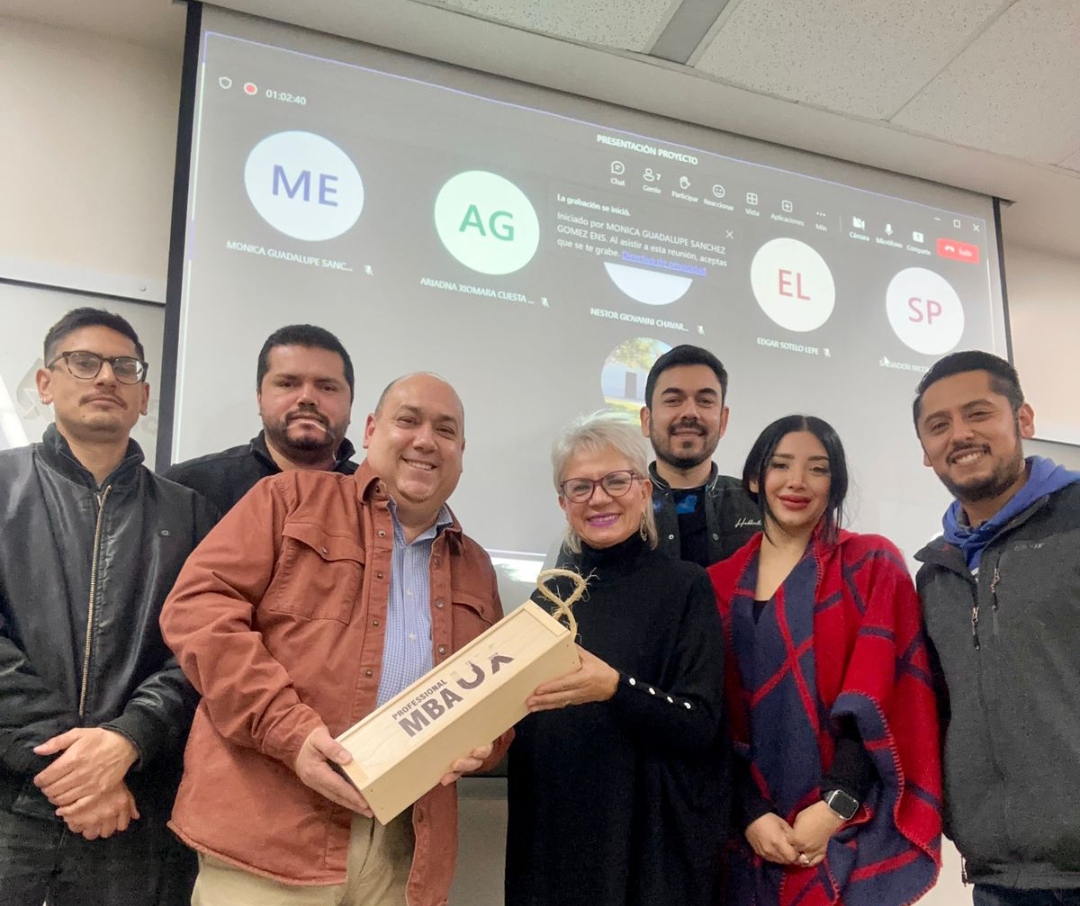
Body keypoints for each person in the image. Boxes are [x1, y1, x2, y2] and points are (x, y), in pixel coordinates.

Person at [160, 372, 510, 906]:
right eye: (408, 420)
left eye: (445, 429)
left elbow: (495, 698)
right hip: (269, 839)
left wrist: (486, 744)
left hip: (404, 852)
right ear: (371, 429)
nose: (425, 440)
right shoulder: (288, 499)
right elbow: (197, 611)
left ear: (461, 451)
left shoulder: (478, 567)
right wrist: (288, 730)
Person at [0, 308, 216, 905]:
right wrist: (78, 766)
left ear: (144, 395)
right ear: (45, 383)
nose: (106, 379)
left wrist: (126, 741)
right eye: (83, 362)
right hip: (12, 797)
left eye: (125, 367)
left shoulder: (191, 514)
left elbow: (202, 650)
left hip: (135, 809)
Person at [709, 415, 941, 906]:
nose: (797, 482)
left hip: (852, 823)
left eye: (817, 468)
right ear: (755, 477)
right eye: (781, 465)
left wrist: (836, 805)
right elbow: (710, 721)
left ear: (834, 484)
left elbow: (889, 697)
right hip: (747, 833)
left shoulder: (872, 564)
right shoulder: (716, 585)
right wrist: (749, 813)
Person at [506, 414, 729, 906]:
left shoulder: (686, 586)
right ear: (564, 505)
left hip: (645, 846)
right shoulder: (548, 599)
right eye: (580, 487)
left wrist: (615, 688)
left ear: (644, 490)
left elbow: (701, 724)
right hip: (550, 839)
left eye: (616, 480)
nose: (599, 498)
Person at [912, 351, 1080, 905]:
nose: (959, 435)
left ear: (1023, 420)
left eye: (978, 413)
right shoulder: (936, 572)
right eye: (939, 425)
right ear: (925, 450)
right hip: (1000, 877)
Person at [164, 323, 358, 517]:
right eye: (287, 384)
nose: (307, 397)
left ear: (350, 403)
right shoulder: (188, 488)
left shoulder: (377, 494)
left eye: (327, 387)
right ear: (260, 398)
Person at [639, 344, 760, 567]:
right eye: (673, 400)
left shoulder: (758, 505)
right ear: (646, 420)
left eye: (705, 401)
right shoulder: (617, 505)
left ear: (723, 421)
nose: (690, 413)